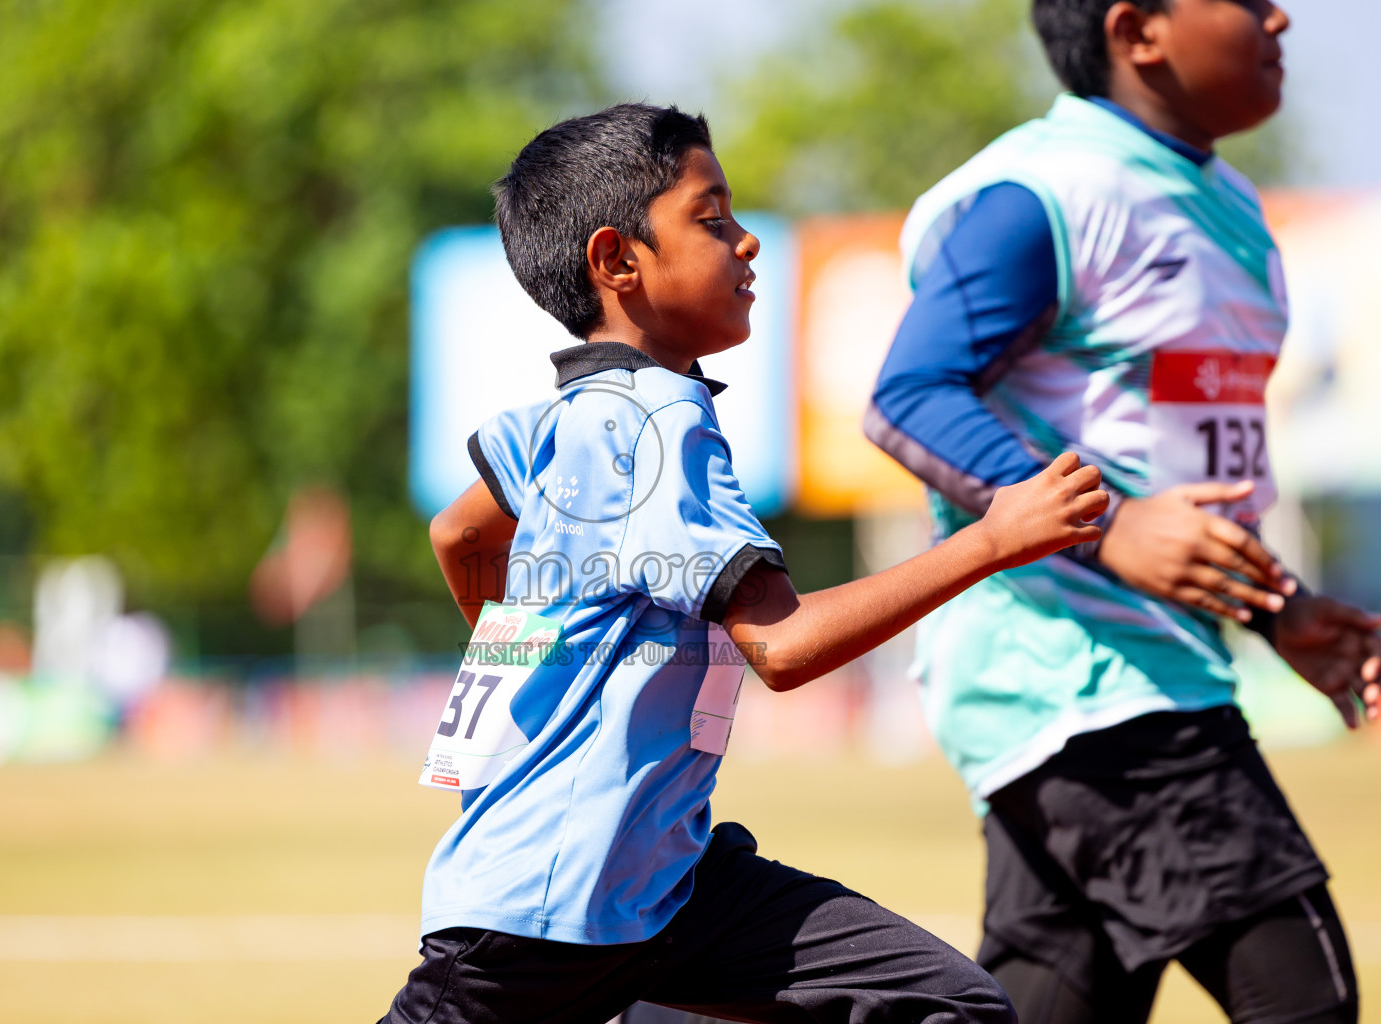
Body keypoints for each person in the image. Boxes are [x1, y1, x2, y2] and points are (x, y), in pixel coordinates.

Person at [383, 102, 1108, 1024]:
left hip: (666, 892)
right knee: (953, 1009)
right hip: (543, 915)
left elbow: (461, 536)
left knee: (945, 1002)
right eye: (713, 219)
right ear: (617, 262)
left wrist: (535, 675)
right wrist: (995, 540)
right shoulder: (661, 422)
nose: (749, 242)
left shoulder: (556, 418)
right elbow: (784, 646)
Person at [866, 2, 1380, 1022]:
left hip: (1135, 673)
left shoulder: (1226, 206)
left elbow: (1177, 472)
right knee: (1305, 994)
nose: (1280, 14)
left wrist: (1279, 610)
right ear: (1137, 29)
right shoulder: (1046, 192)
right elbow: (909, 397)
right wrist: (1111, 524)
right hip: (1078, 672)